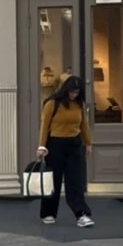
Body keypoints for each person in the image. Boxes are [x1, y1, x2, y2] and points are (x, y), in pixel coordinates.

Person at [37, 75, 94, 228]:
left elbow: (84, 125)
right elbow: (44, 126)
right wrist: (41, 146)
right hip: (55, 144)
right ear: (65, 90)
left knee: (75, 181)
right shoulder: (52, 103)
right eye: (71, 92)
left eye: (76, 92)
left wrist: (88, 143)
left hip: (74, 144)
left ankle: (81, 214)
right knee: (53, 181)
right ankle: (48, 213)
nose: (73, 95)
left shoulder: (79, 105)